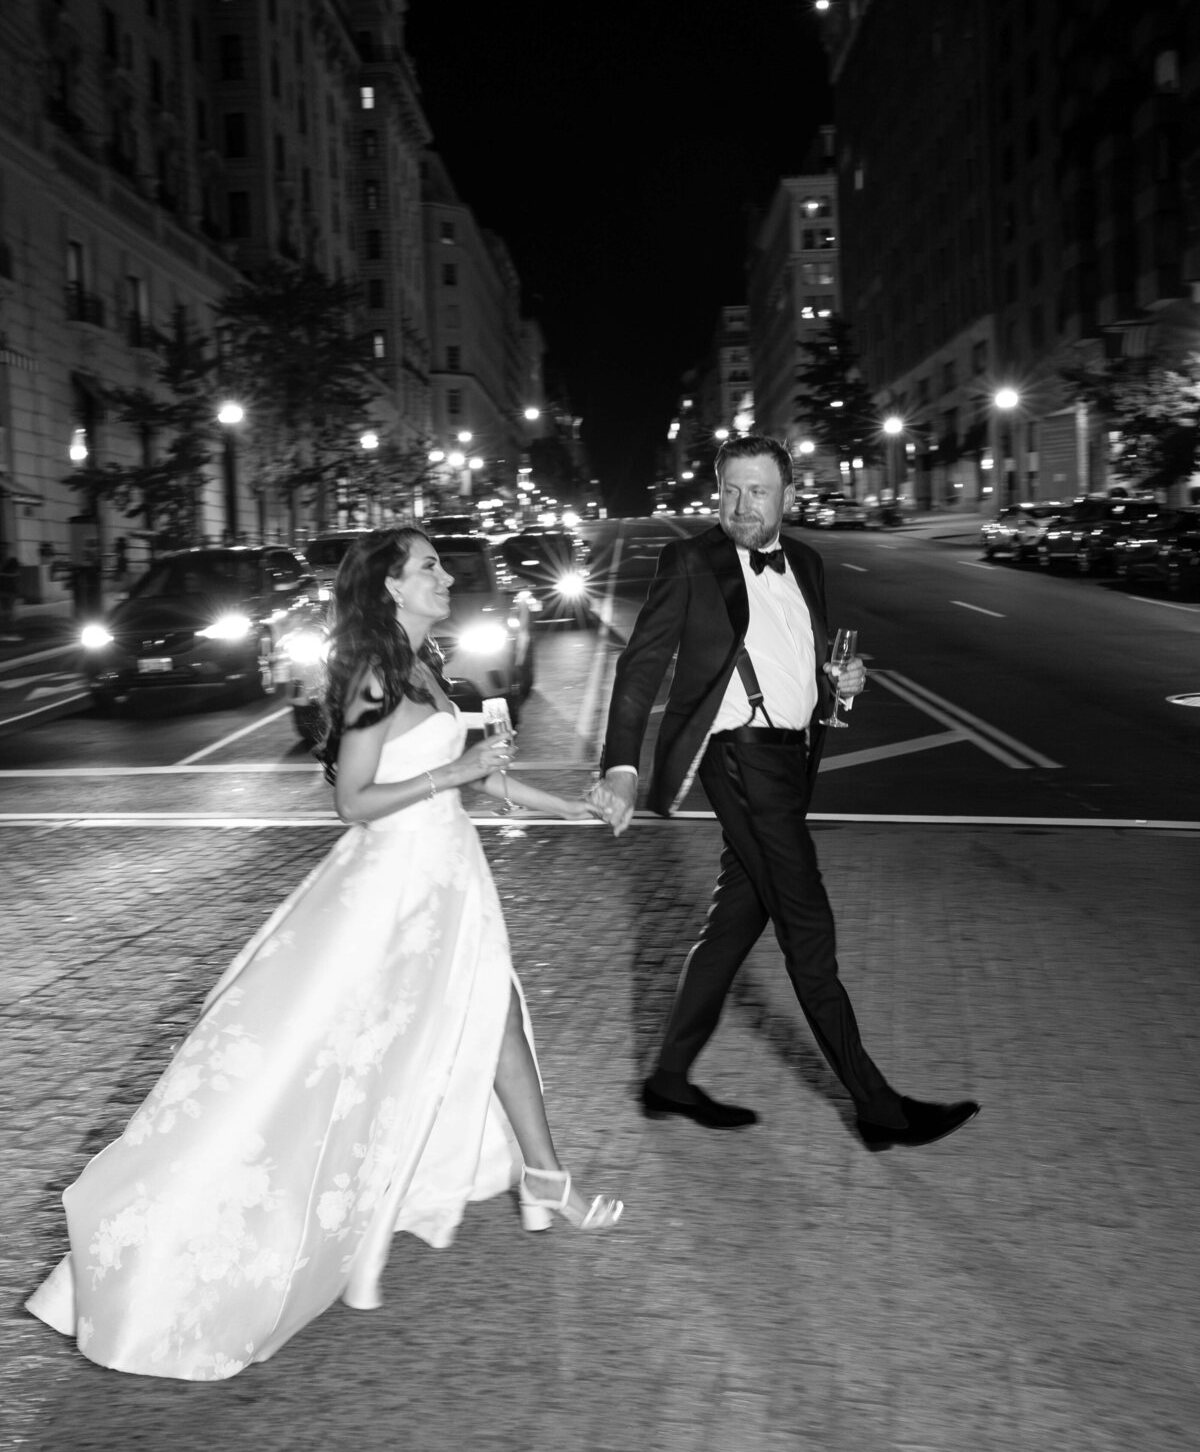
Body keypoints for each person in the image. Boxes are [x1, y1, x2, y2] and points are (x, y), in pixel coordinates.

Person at [27, 527, 621, 1381]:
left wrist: (573, 808)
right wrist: (453, 778)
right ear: (389, 588)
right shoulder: (375, 678)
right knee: (306, 1063)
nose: (444, 576)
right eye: (428, 568)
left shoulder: (426, 666)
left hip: (447, 878)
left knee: (496, 1016)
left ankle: (546, 1175)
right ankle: (180, 1236)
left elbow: (480, 777)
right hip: (389, 895)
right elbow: (354, 800)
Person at [589, 435, 978, 1151]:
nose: (741, 505)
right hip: (737, 760)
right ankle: (878, 1108)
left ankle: (670, 1077)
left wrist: (844, 687)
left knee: (735, 922)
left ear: (787, 498)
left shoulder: (806, 563)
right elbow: (640, 666)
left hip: (790, 762)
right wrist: (621, 764)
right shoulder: (690, 562)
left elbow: (809, 664)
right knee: (809, 927)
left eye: (757, 491)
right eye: (731, 490)